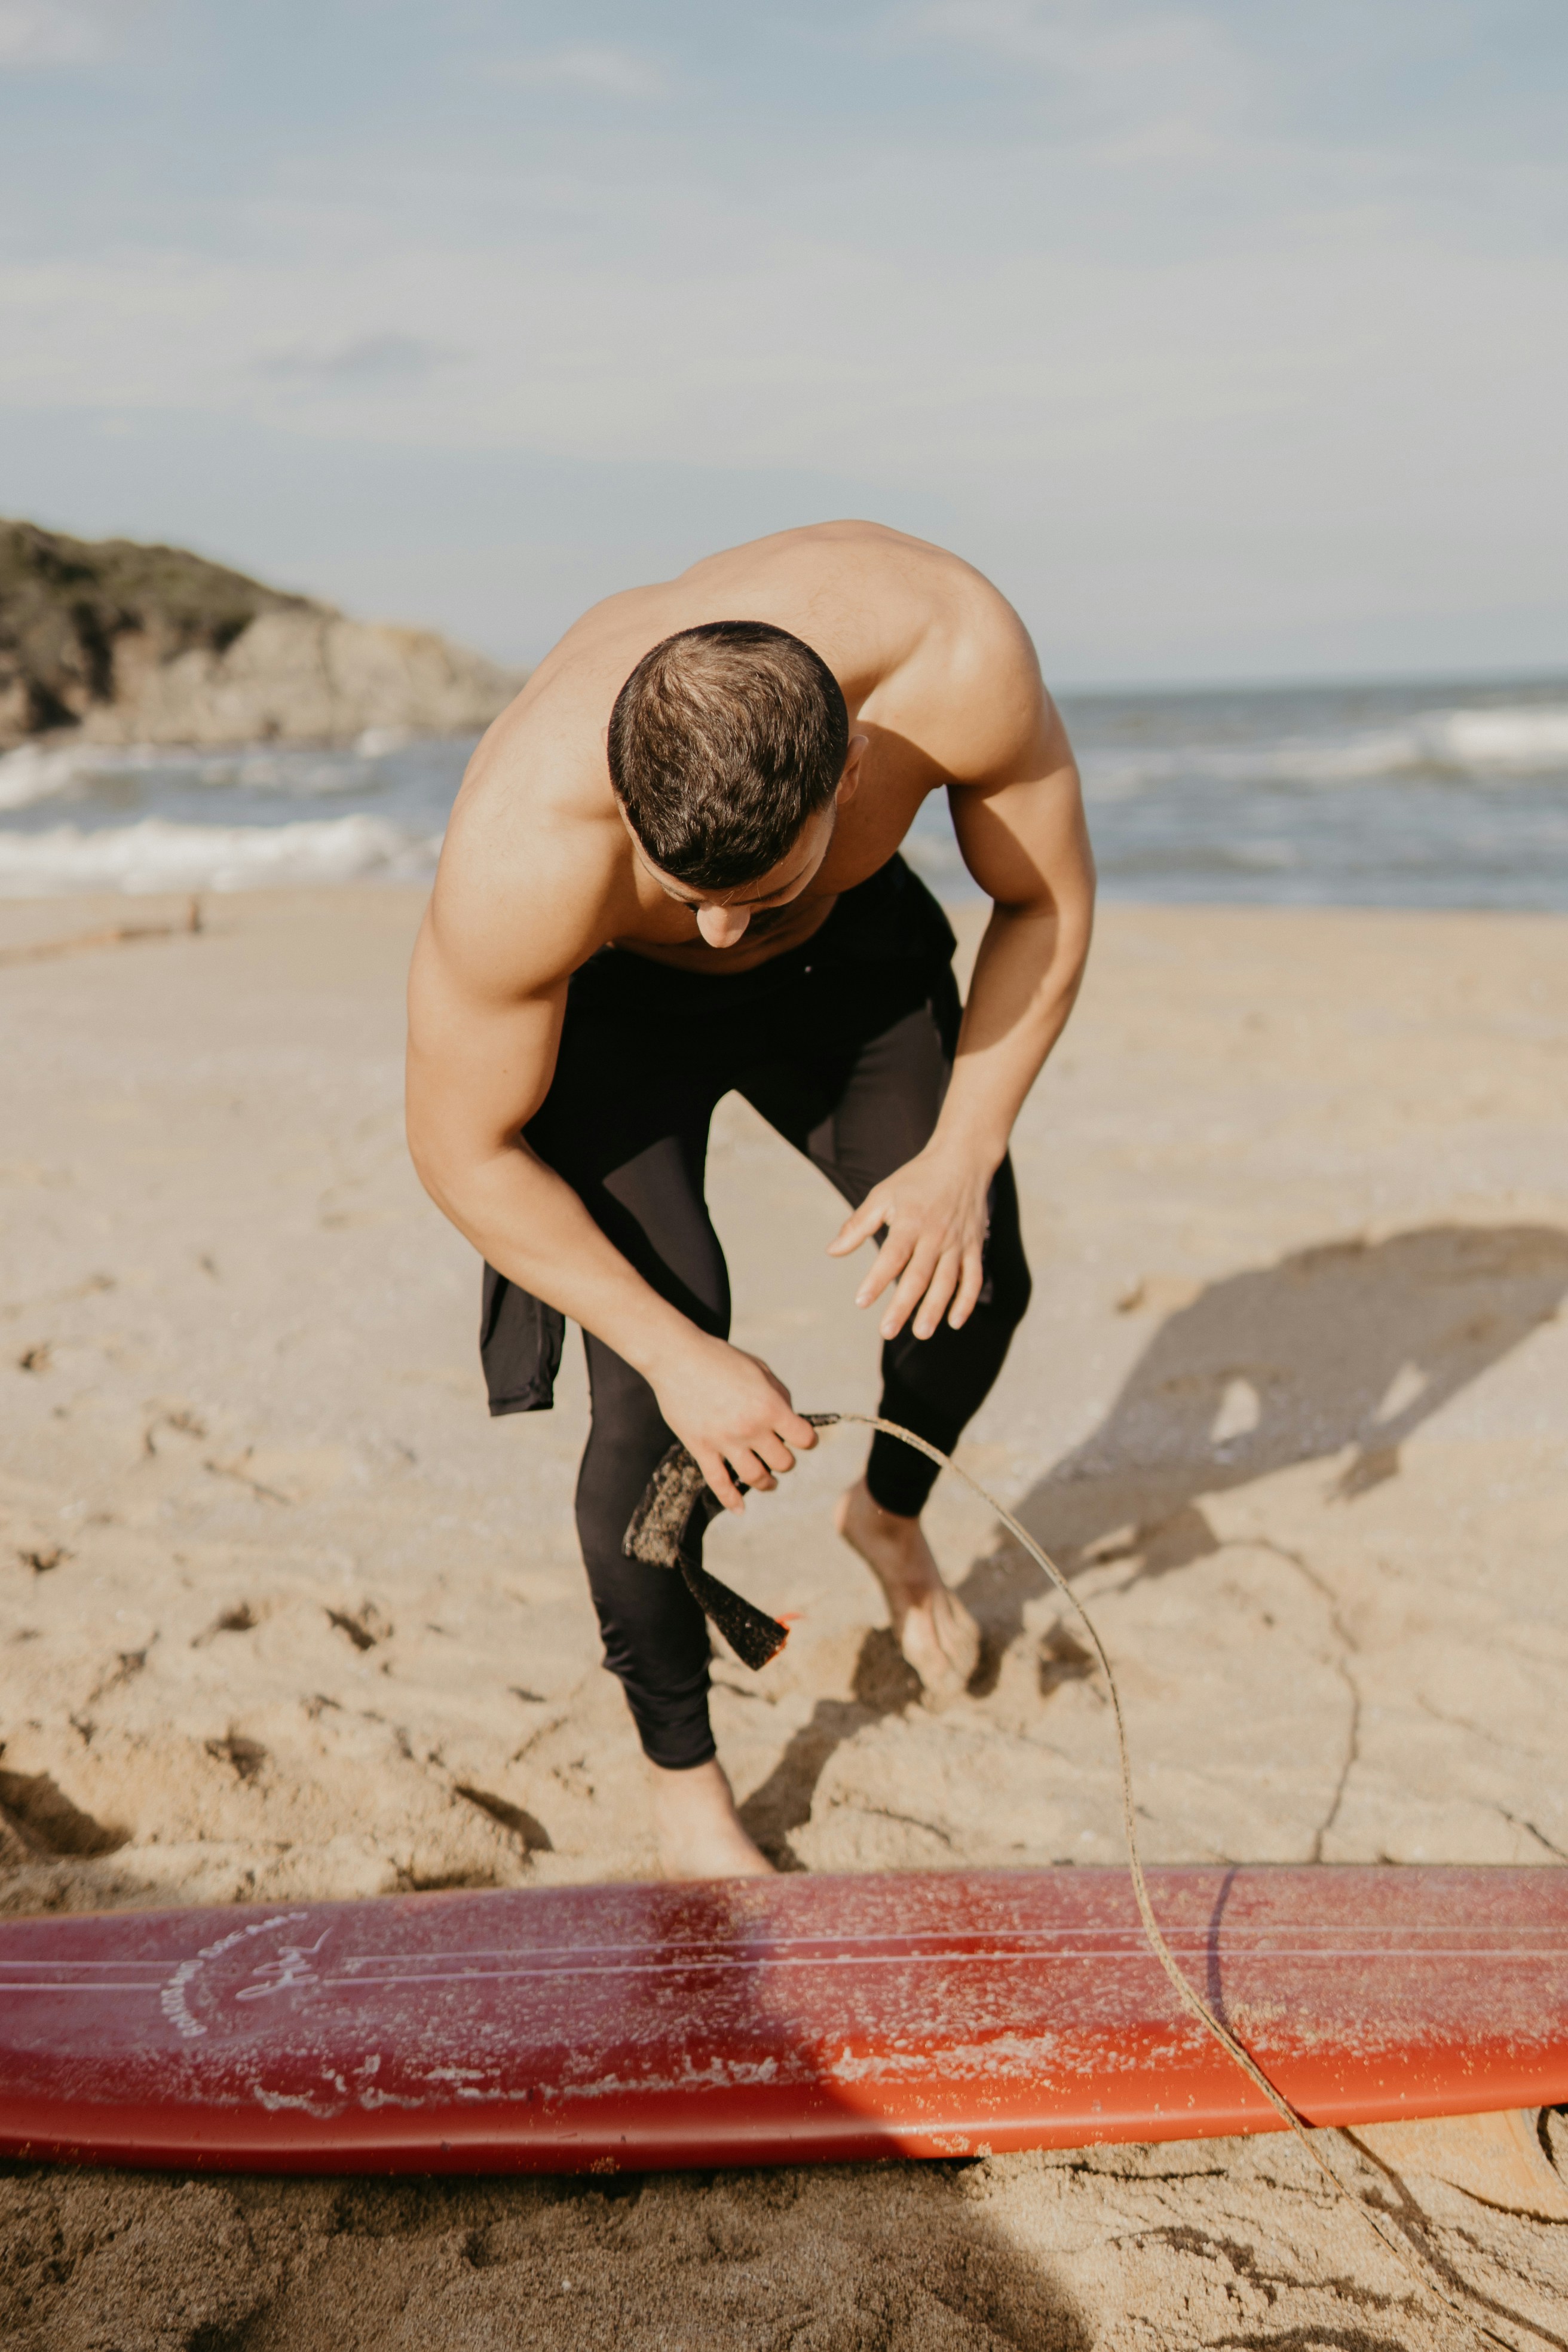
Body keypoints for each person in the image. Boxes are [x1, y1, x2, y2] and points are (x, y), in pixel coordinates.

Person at [405, 521, 1095, 1878]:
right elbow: (460, 1148)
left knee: (977, 1279)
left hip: (849, 970)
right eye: (690, 896)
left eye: (754, 893)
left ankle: (885, 1515)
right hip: (613, 1014)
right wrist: (678, 1353)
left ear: (849, 771)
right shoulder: (526, 849)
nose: (718, 931)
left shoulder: (950, 652)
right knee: (654, 1423)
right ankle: (686, 1784)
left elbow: (1046, 906)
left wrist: (960, 1152)